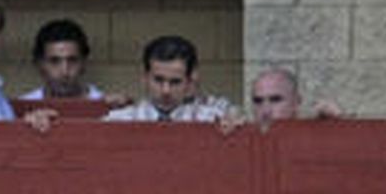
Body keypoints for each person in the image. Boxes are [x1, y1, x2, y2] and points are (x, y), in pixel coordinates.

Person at [104, 35, 237, 124]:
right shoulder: (118, 121)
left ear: (189, 83)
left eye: (175, 82)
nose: (165, 90)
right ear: (145, 78)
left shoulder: (212, 121)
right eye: (158, 80)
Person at [19, 19, 104, 103]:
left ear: (84, 63)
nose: (64, 71)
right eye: (54, 61)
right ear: (39, 64)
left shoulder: (106, 108)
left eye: (72, 60)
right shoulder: (22, 108)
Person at [248, 67, 344, 128]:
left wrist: (338, 124)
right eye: (258, 101)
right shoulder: (243, 138)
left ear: (296, 102)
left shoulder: (313, 136)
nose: (265, 110)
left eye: (275, 100)